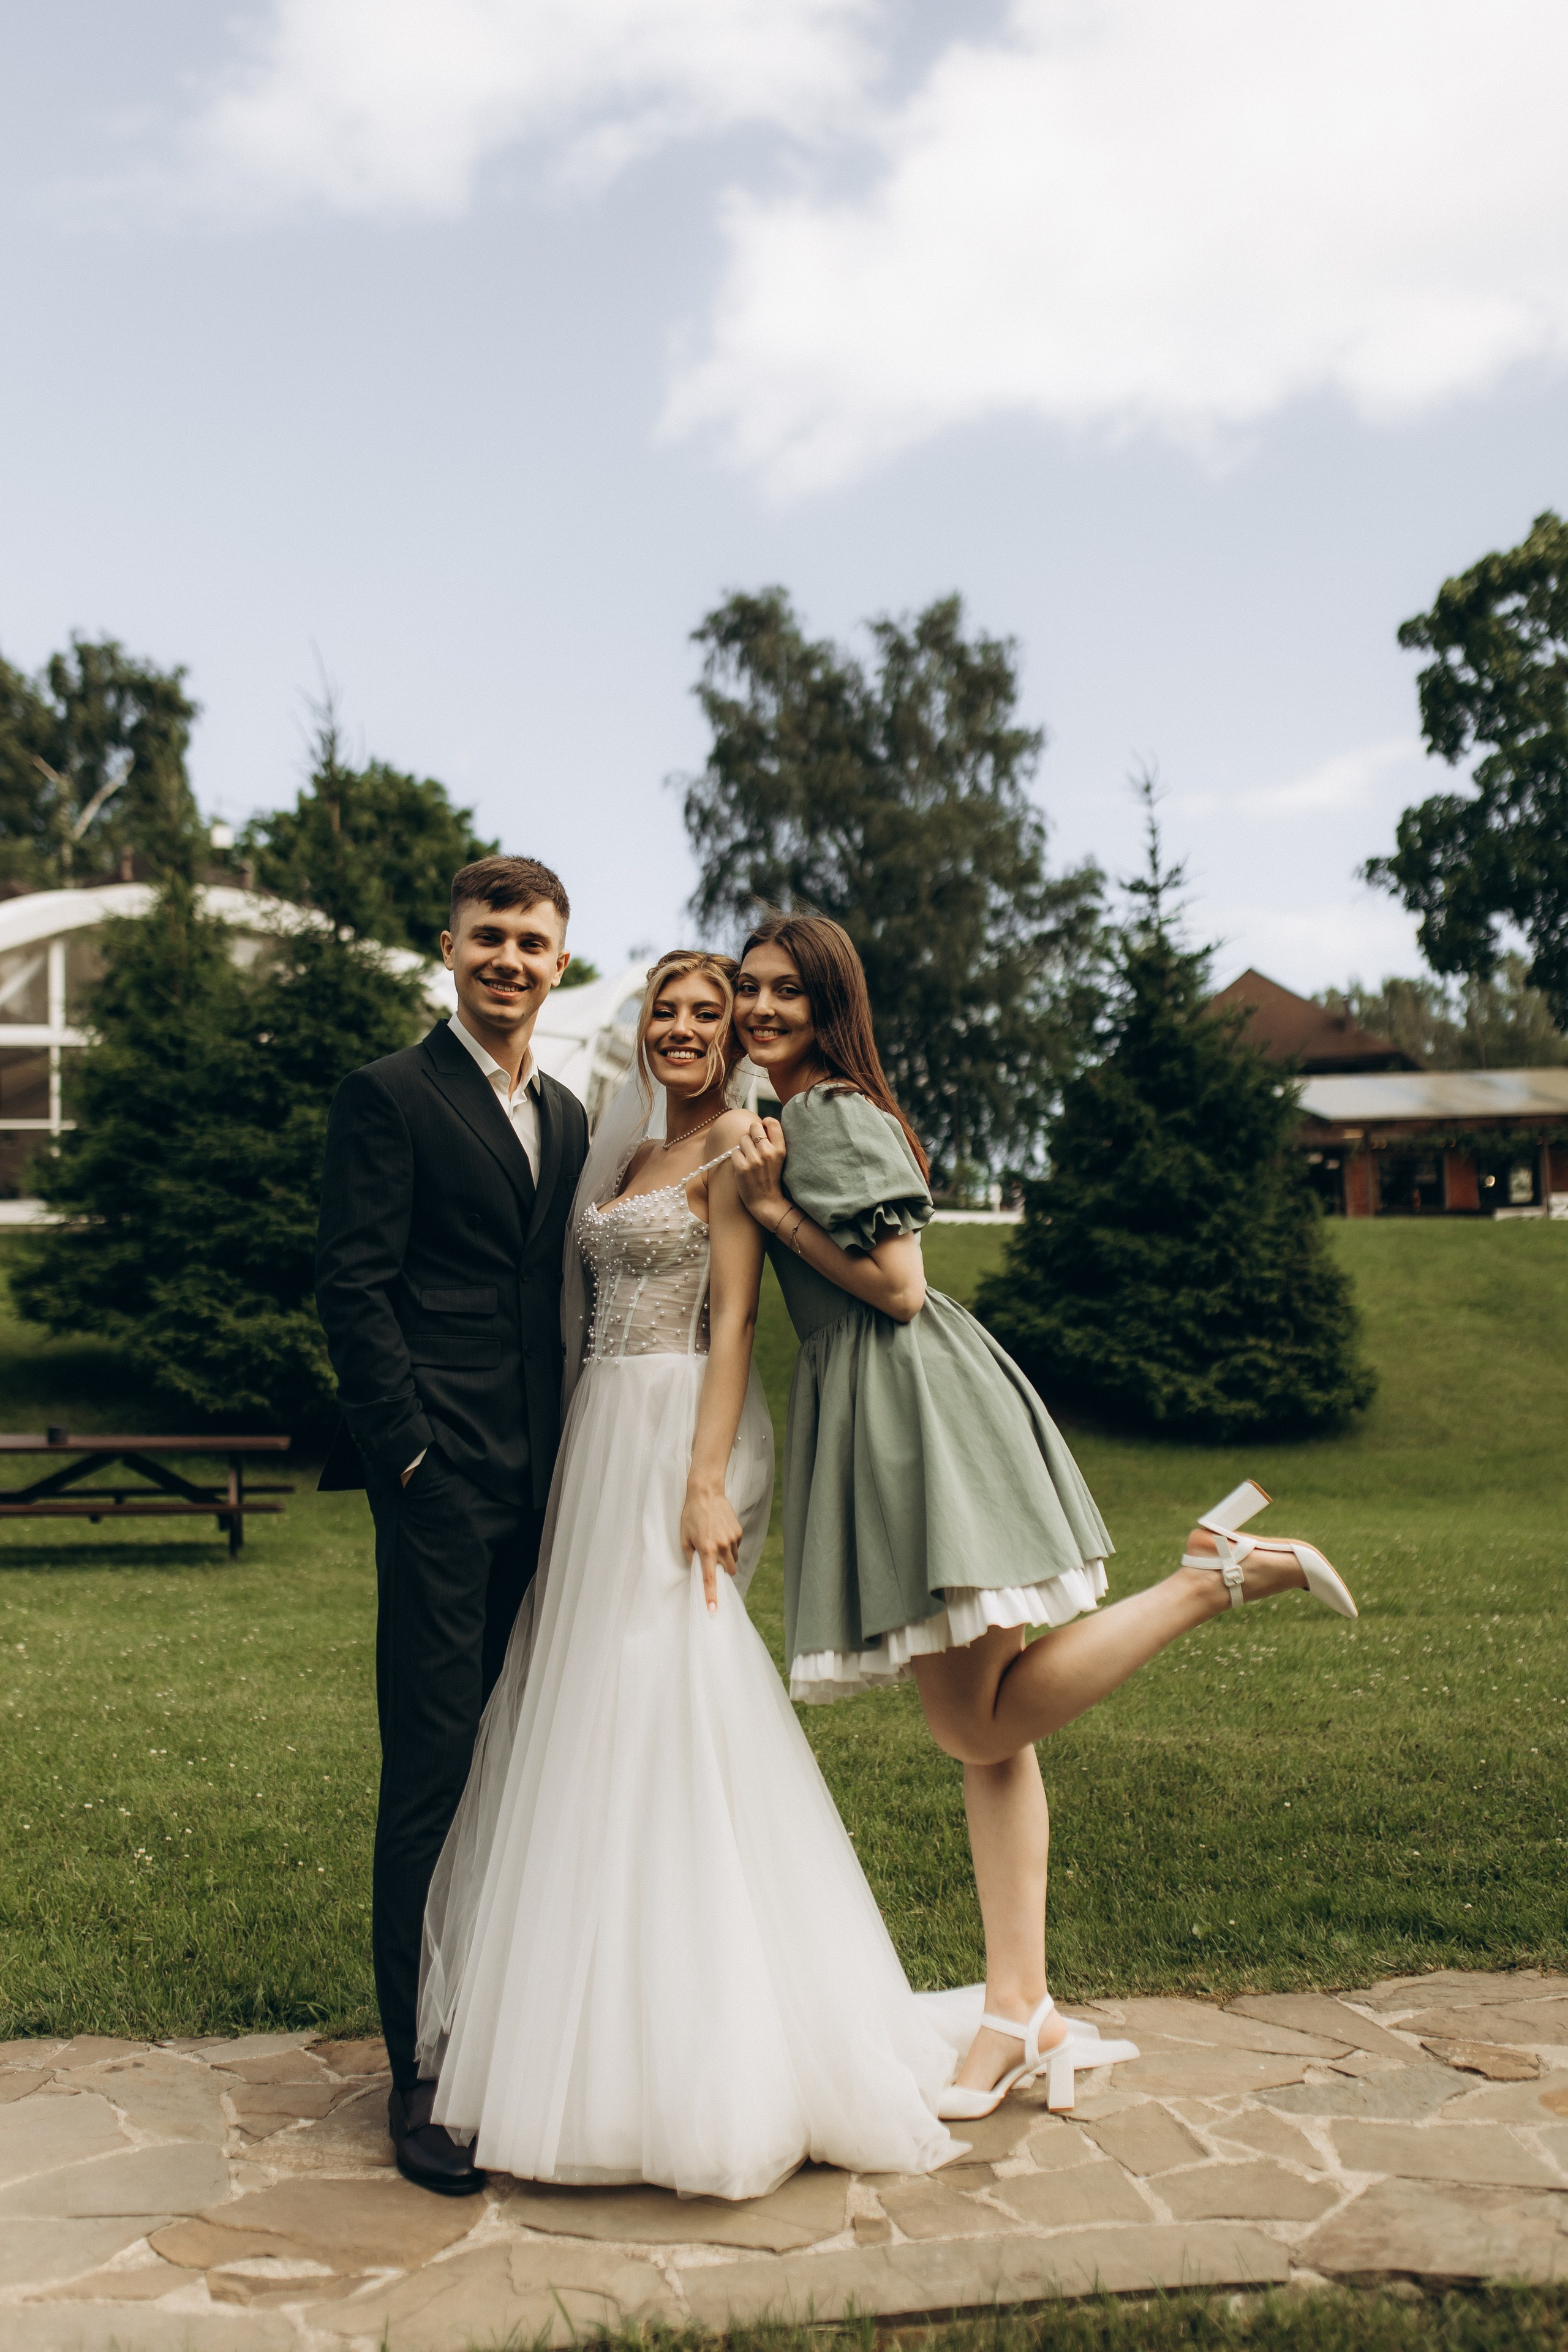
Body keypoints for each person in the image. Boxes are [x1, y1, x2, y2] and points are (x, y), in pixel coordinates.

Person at [729, 911, 1357, 2123]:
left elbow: (899, 1289)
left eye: (785, 993)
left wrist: (774, 1212)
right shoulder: (796, 1112)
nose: (760, 1009)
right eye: (748, 987)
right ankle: (1026, 2010)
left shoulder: (827, 1116)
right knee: (987, 1735)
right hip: (889, 1408)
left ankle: (1213, 1574)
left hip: (911, 1407)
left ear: (828, 1007)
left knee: (972, 1724)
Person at [414, 952, 965, 2199]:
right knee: (586, 1701)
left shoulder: (736, 1144)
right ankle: (575, 2019)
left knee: (670, 1686)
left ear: (731, 1039)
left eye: (706, 1014)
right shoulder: (623, 1157)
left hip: (675, 1434)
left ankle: (720, 2041)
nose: (680, 1027)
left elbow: (737, 1321)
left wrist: (706, 1480)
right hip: (597, 1438)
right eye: (665, 1009)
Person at [315, 854, 589, 2194]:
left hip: (551, 1490)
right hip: (441, 1489)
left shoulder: (571, 1115)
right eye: (490, 936)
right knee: (431, 1773)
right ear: (448, 947)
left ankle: (499, 2027)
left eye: (532, 943)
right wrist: (410, 1460)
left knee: (520, 1770)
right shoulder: (390, 1097)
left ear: (559, 963)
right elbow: (353, 1288)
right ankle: (418, 2072)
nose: (509, 960)